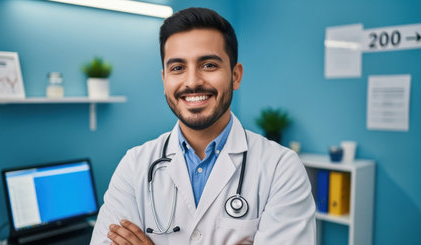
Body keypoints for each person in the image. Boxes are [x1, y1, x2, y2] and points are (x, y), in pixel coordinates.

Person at [90, 7, 316, 245]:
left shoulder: (282, 168)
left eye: (208, 65)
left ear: (235, 75)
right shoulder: (134, 165)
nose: (192, 82)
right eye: (177, 68)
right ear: (164, 79)